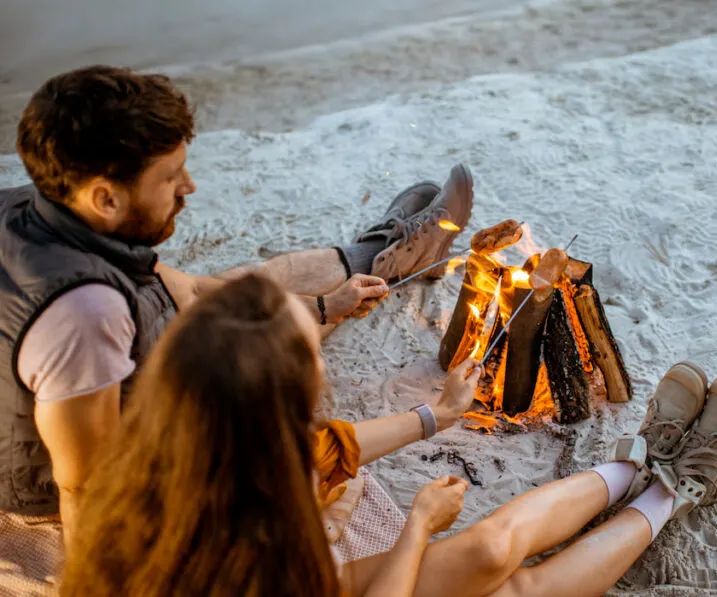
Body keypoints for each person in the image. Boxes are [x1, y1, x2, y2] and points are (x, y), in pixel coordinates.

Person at [0, 64, 474, 547]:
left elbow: (193, 291)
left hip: (105, 374)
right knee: (274, 415)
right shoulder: (84, 314)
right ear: (105, 198)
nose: (189, 186)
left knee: (251, 286)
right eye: (169, 177)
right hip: (68, 470)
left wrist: (327, 306)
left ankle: (373, 256)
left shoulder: (35, 205)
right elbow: (84, 484)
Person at [61, 274, 717, 597]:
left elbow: (328, 447)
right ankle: (671, 494)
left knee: (489, 546)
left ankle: (638, 466)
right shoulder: (240, 552)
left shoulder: (185, 451)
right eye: (314, 363)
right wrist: (418, 523)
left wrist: (436, 417)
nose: (324, 372)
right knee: (516, 590)